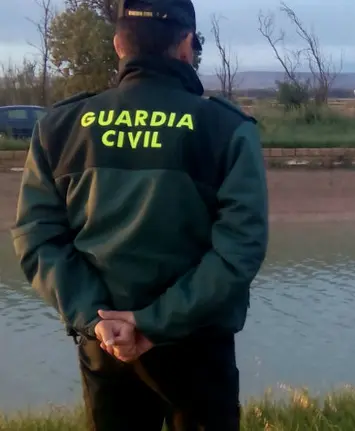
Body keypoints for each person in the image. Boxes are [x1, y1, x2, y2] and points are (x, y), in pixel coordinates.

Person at [10, 0, 269, 429]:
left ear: (118, 45)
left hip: (106, 344)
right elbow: (240, 249)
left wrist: (96, 319)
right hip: (199, 344)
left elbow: (37, 238)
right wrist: (153, 323)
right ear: (186, 46)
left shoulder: (60, 127)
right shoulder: (226, 128)